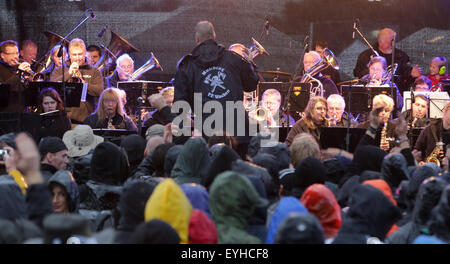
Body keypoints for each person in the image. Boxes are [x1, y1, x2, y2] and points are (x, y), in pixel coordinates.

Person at [173, 20, 259, 155]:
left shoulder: (187, 65)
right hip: (238, 133)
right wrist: (250, 64)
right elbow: (251, 84)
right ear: (214, 35)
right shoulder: (234, 59)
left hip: (207, 134)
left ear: (197, 39)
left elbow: (180, 105)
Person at [50, 38, 104, 124]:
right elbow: (52, 88)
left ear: (85, 54)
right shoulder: (59, 70)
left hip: (86, 119)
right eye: (74, 55)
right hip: (64, 119)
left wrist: (83, 82)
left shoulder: (94, 71)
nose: (77, 58)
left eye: (80, 54)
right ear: (69, 55)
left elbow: (100, 91)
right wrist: (69, 73)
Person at [353, 28, 422, 95]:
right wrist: (374, 74)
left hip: (396, 93)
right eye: (391, 40)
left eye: (394, 40)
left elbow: (406, 76)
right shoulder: (366, 56)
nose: (393, 43)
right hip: (369, 93)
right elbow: (358, 73)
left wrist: (411, 74)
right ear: (380, 42)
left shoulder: (401, 56)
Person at [0, 40, 33, 112]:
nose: (15, 56)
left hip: (23, 109)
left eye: (17, 53)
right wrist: (18, 74)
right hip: (6, 113)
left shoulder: (21, 63)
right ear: (2, 55)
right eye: (12, 54)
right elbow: (3, 90)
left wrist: (29, 80)